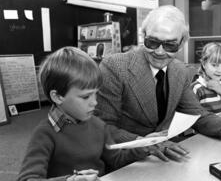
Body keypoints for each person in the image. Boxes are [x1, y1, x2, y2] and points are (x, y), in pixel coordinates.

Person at [96, 5, 221, 162]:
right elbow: (103, 126)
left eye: (170, 45)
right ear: (143, 37)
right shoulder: (115, 66)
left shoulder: (179, 70)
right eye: (152, 42)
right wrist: (145, 143)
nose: (159, 51)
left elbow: (197, 114)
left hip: (168, 156)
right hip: (126, 159)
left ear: (181, 44)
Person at [17, 47, 149, 181]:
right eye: (86, 97)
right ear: (57, 97)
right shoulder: (44, 134)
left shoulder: (98, 125)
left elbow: (116, 160)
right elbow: (28, 178)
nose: (95, 103)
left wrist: (143, 147)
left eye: (95, 94)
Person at [191, 42, 221, 118]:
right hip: (206, 129)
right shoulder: (197, 88)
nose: (219, 70)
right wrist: (215, 119)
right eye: (214, 65)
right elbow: (191, 118)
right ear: (204, 64)